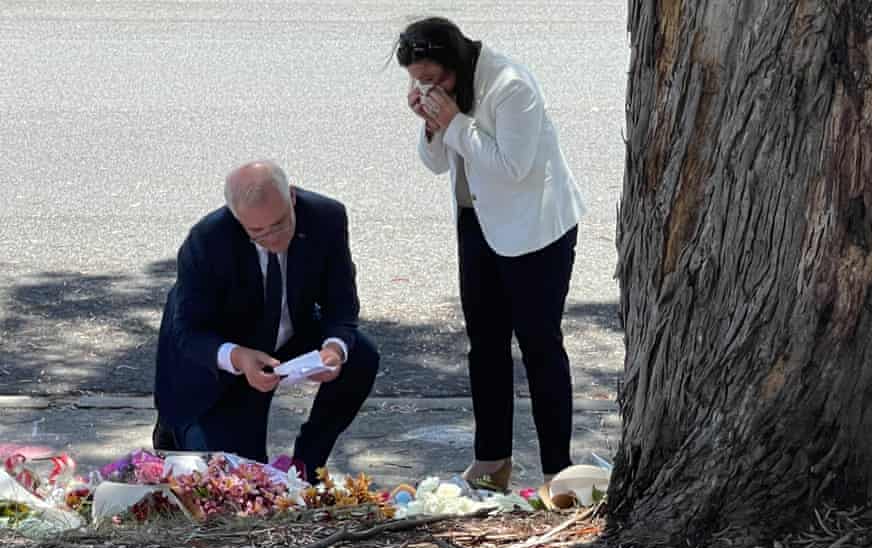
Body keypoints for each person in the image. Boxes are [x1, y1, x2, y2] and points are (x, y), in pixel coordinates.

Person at [396, 18, 586, 497]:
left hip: (533, 228)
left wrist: (454, 122)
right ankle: (492, 459)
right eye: (419, 82)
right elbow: (438, 163)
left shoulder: (510, 86)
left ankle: (556, 472)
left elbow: (512, 166)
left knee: (540, 346)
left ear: (456, 61)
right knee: (485, 346)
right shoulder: (447, 94)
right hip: (477, 223)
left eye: (435, 80)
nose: (428, 89)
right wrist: (432, 124)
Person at [152, 160, 379, 483]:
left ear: (292, 197)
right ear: (237, 219)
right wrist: (238, 358)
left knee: (361, 355)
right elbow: (187, 332)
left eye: (280, 224)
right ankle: (178, 430)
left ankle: (306, 464)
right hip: (222, 353)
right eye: (257, 231)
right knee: (242, 480)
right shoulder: (207, 239)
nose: (273, 238)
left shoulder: (326, 217)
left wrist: (333, 349)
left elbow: (341, 305)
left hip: (289, 331)